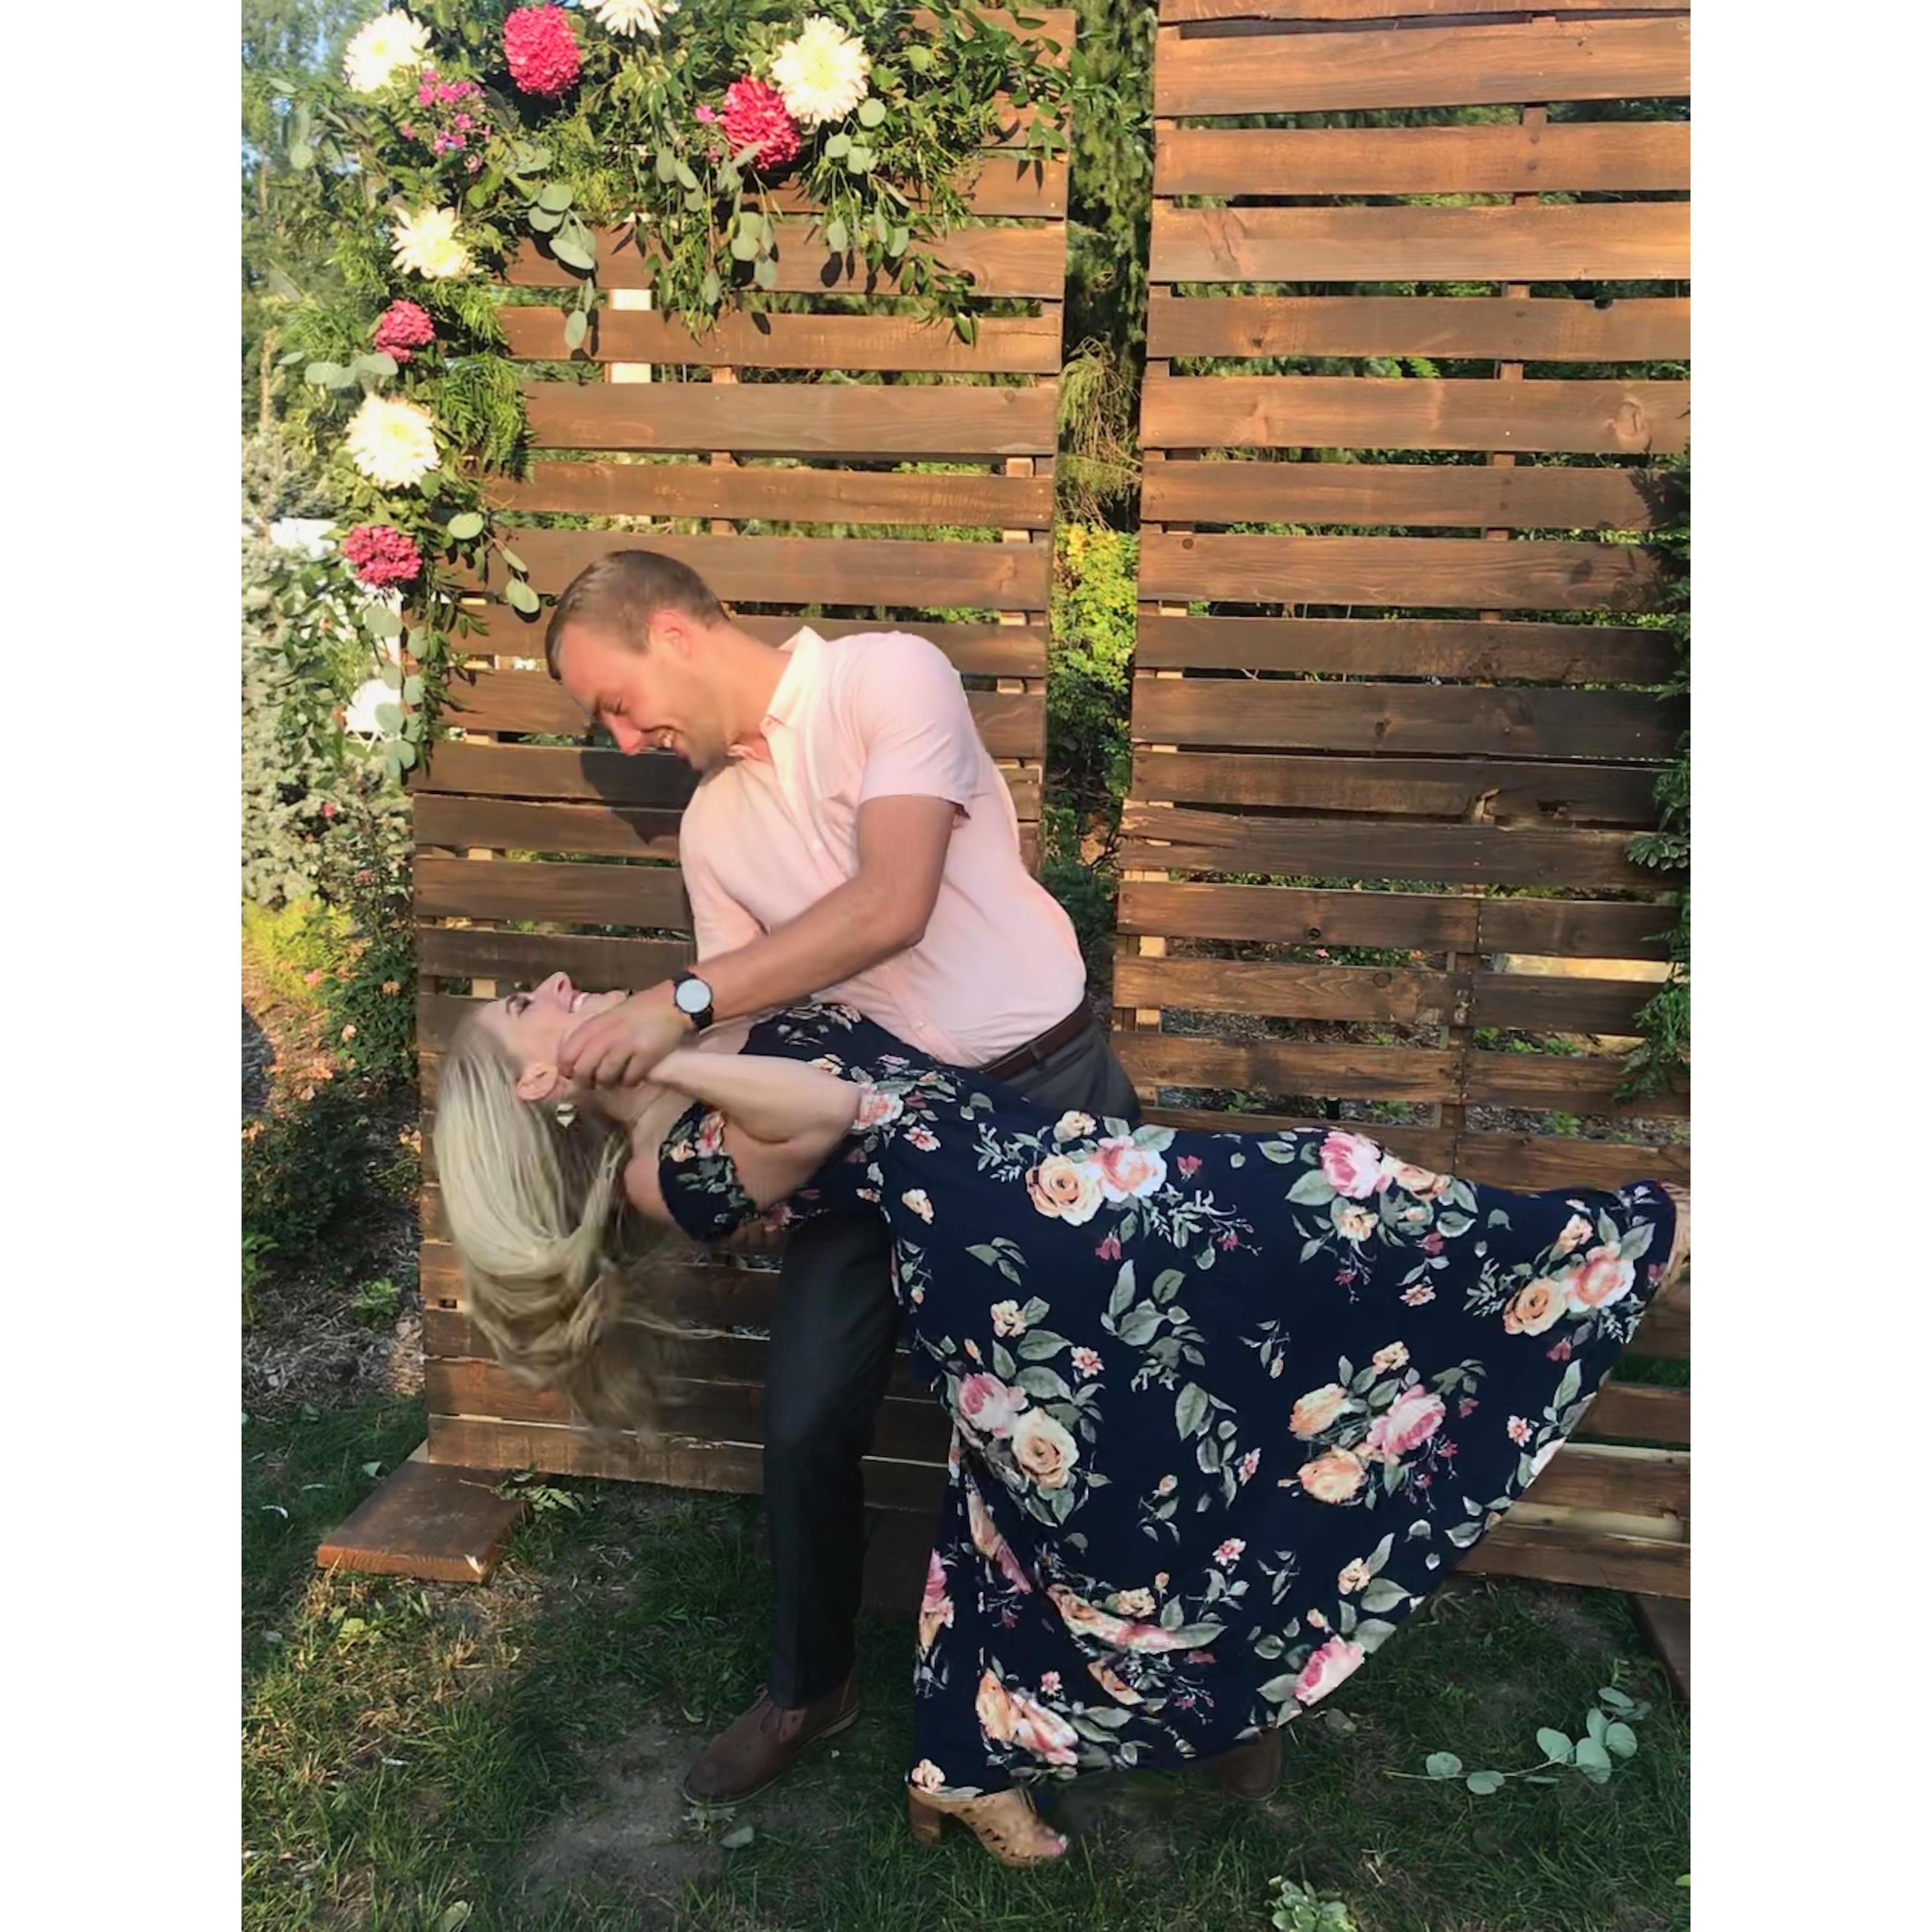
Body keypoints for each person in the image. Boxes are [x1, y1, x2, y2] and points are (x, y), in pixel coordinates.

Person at [435, 983, 1687, 1867]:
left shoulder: (695, 1018)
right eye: (530, 1008)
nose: (556, 985)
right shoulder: (666, 1171)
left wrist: (672, 1027)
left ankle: (967, 1769)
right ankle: (1627, 1242)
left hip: (1067, 1185)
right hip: (1027, 1256)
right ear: (542, 1084)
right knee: (1332, 1204)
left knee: (1040, 1520)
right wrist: (661, 1062)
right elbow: (824, 1110)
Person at [534, 550, 1140, 1806]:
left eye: (617, 703)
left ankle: (1203, 1687)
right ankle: (810, 1687)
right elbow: (743, 1029)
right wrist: (626, 1086)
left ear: (673, 633)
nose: (627, 740)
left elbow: (891, 903)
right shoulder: (713, 825)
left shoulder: (886, 678)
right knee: (805, 1414)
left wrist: (673, 1003)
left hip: (1047, 1097)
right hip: (870, 1136)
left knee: (1097, 1423)